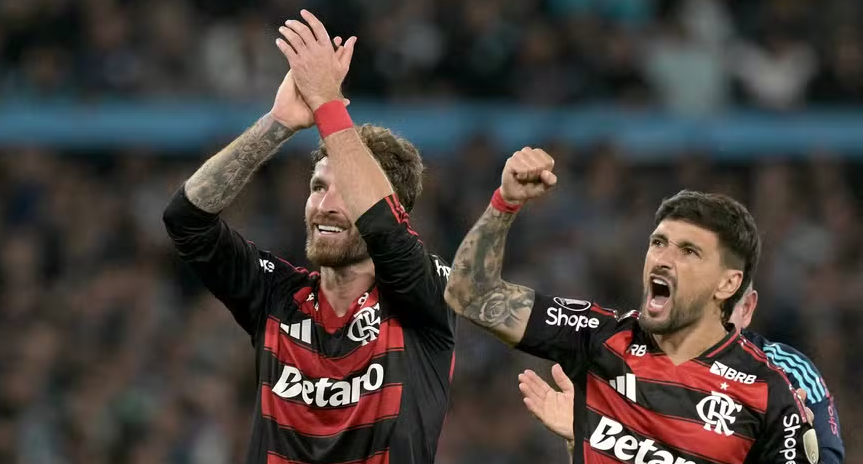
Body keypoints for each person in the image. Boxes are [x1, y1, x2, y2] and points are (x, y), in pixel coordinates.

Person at [163, 10, 456, 464]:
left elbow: (385, 231)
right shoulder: (276, 295)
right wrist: (278, 123)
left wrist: (327, 104)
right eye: (318, 187)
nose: (325, 206)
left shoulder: (428, 296)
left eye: (346, 194)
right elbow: (186, 219)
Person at [443, 147, 819, 464]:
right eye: (659, 243)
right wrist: (506, 202)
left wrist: (592, 436)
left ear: (728, 283)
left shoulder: (770, 394)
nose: (663, 259)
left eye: (689, 251)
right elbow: (471, 295)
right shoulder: (599, 336)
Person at [519, 284, 844, 463]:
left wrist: (786, 442)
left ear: (746, 309)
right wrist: (584, 438)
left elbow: (826, 458)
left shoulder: (787, 373)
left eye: (724, 304)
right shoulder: (636, 360)